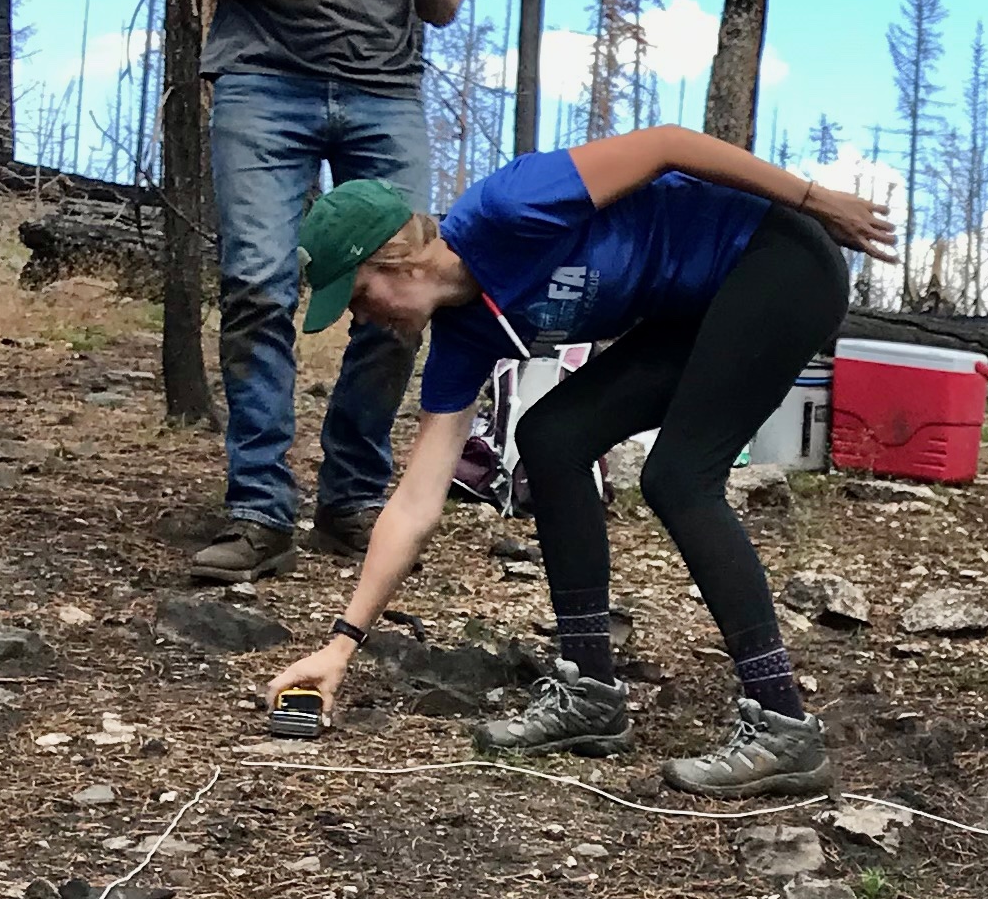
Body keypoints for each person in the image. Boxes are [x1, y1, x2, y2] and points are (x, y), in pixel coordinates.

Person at [265, 126, 898, 797]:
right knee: (554, 438)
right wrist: (341, 644)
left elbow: (667, 145)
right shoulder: (462, 335)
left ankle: (783, 724)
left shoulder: (509, 208)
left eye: (360, 297)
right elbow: (418, 498)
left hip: (777, 259)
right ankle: (590, 691)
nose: (363, 319)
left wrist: (813, 199)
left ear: (400, 259)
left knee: (680, 477)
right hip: (696, 306)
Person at [166, 0, 462, 583]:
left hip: (385, 91)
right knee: (259, 283)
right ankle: (259, 508)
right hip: (266, 82)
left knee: (400, 296)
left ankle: (350, 497)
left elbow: (440, 7)